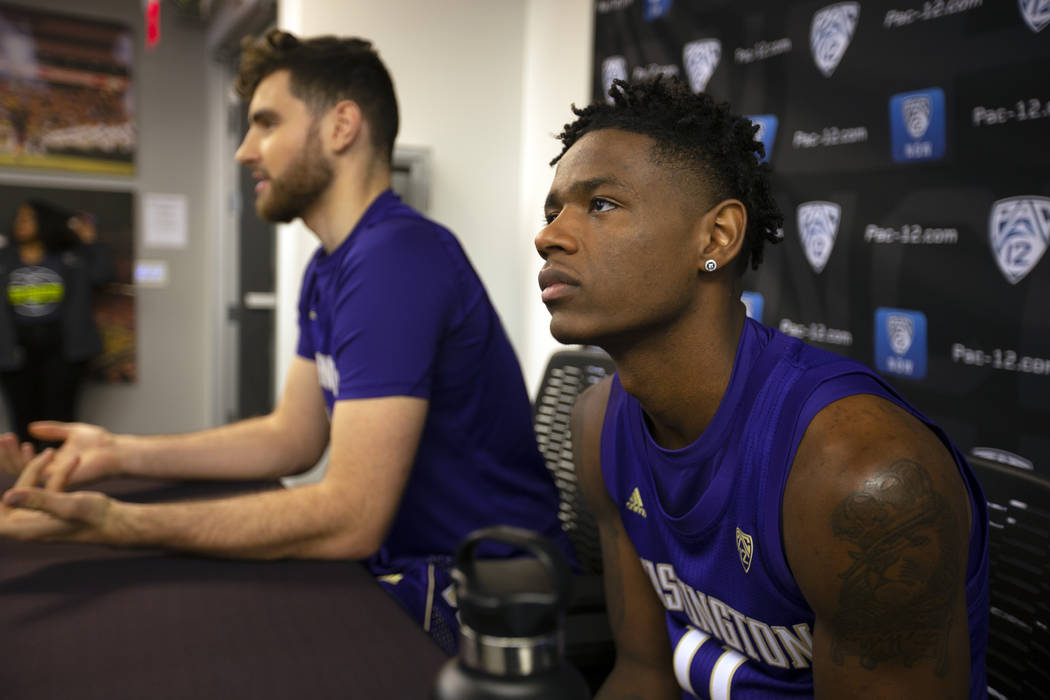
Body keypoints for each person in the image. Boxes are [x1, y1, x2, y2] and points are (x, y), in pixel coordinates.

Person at [0, 30, 570, 655]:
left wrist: (118, 523)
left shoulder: (395, 258)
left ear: (341, 126)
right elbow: (290, 438)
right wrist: (119, 452)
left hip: (484, 583)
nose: (246, 151)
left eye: (266, 124)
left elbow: (350, 516)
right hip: (408, 559)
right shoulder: (331, 266)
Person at [535, 77, 989, 698]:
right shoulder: (597, 425)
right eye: (552, 211)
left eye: (602, 204)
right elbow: (642, 674)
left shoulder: (860, 474)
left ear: (716, 237)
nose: (550, 235)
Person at [0, 200, 112, 447]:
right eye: (19, 218)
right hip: (16, 344)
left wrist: (90, 241)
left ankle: (59, 470)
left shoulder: (69, 256)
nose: (20, 224)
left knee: (60, 414)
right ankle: (29, 468)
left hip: (62, 343)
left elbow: (102, 275)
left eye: (27, 218)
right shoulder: (5, 256)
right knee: (23, 414)